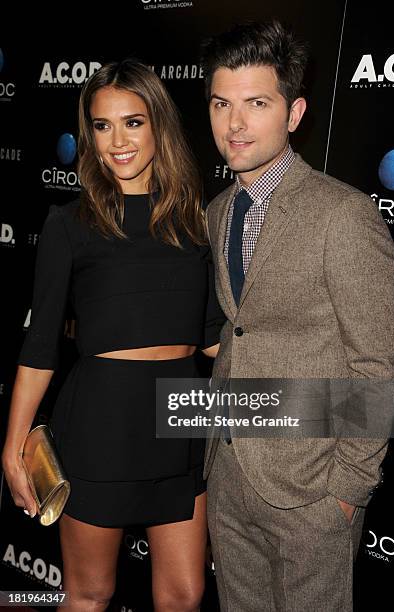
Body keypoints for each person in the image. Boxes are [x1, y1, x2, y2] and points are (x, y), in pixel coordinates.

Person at [2, 58, 225, 612]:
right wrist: (12, 447)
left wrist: (311, 400)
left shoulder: (195, 220)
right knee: (90, 594)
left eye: (133, 121)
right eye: (102, 126)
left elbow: (216, 338)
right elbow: (40, 347)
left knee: (184, 594)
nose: (118, 140)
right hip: (100, 423)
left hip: (181, 418)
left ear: (158, 126)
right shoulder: (70, 223)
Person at [200, 20, 394, 611]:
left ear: (293, 114)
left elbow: (378, 364)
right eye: (221, 104)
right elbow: (242, 331)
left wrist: (347, 487)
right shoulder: (216, 212)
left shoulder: (344, 215)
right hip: (230, 469)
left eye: (256, 104)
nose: (235, 124)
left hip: (313, 487)